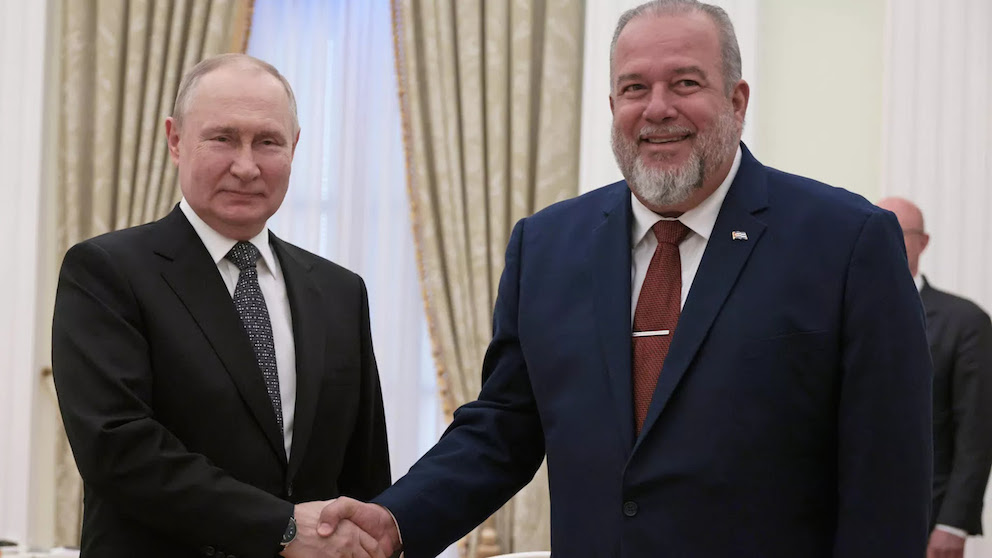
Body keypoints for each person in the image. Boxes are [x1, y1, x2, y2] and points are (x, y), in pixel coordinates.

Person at [319, 1, 933, 556]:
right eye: (634, 87)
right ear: (613, 106)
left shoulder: (847, 242)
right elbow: (502, 430)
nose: (657, 108)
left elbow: (888, 480)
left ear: (737, 101)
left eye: (685, 83)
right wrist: (396, 520)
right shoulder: (546, 246)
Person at [52, 54, 391, 558]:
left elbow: (365, 473)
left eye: (268, 142)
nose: (246, 166)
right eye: (223, 138)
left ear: (294, 147)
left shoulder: (341, 292)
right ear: (175, 140)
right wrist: (280, 528)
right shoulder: (107, 272)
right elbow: (118, 448)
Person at [877, 197, 992, 558]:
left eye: (897, 231)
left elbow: (976, 430)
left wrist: (953, 524)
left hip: (927, 518)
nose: (884, 240)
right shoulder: (840, 310)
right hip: (850, 516)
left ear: (923, 242)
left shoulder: (965, 322)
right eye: (876, 231)